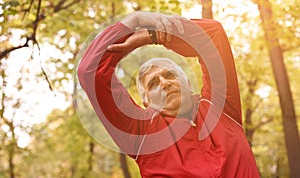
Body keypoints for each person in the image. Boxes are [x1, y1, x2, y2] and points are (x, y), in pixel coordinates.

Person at [77, 11, 260, 177]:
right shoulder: (142, 135)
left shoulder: (221, 108)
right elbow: (90, 71)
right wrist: (134, 20)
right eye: (153, 83)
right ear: (146, 102)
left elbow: (213, 33)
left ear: (187, 83)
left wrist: (154, 36)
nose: (164, 83)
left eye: (169, 75)